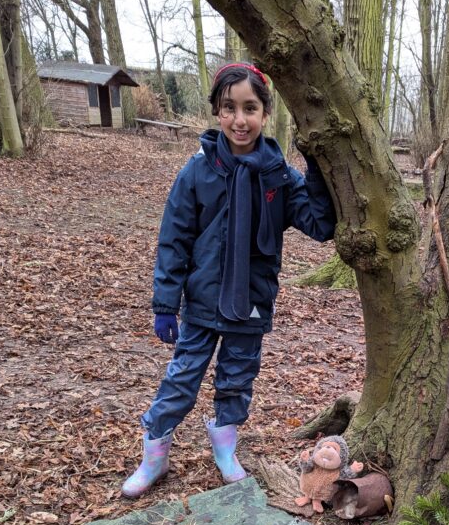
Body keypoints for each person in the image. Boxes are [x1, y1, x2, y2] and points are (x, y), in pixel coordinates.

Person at [122, 62, 336, 498]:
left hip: (251, 302)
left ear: (265, 112)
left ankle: (225, 451)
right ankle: (154, 458)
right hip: (201, 302)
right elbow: (173, 239)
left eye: (250, 108)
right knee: (181, 380)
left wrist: (314, 168)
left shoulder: (278, 175)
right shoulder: (197, 172)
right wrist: (165, 304)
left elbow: (319, 224)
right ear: (218, 112)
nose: (240, 120)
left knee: (237, 378)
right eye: (229, 108)